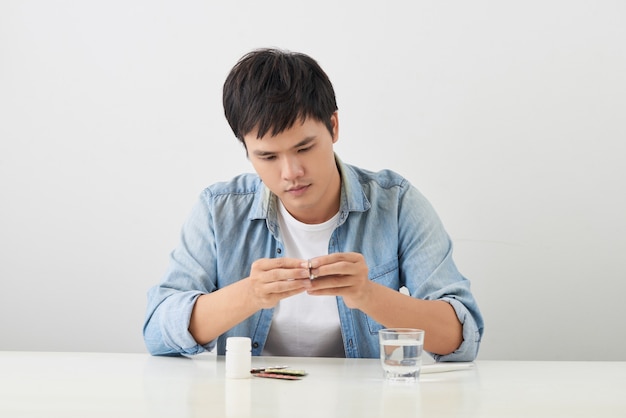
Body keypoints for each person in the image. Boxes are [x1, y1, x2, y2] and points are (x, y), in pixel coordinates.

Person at [143, 48, 484, 361]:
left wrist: (367, 294)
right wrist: (250, 294)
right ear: (246, 151)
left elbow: (461, 337)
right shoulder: (219, 210)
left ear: (333, 127)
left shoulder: (395, 203)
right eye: (268, 156)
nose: (291, 173)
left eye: (304, 148)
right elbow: (157, 331)